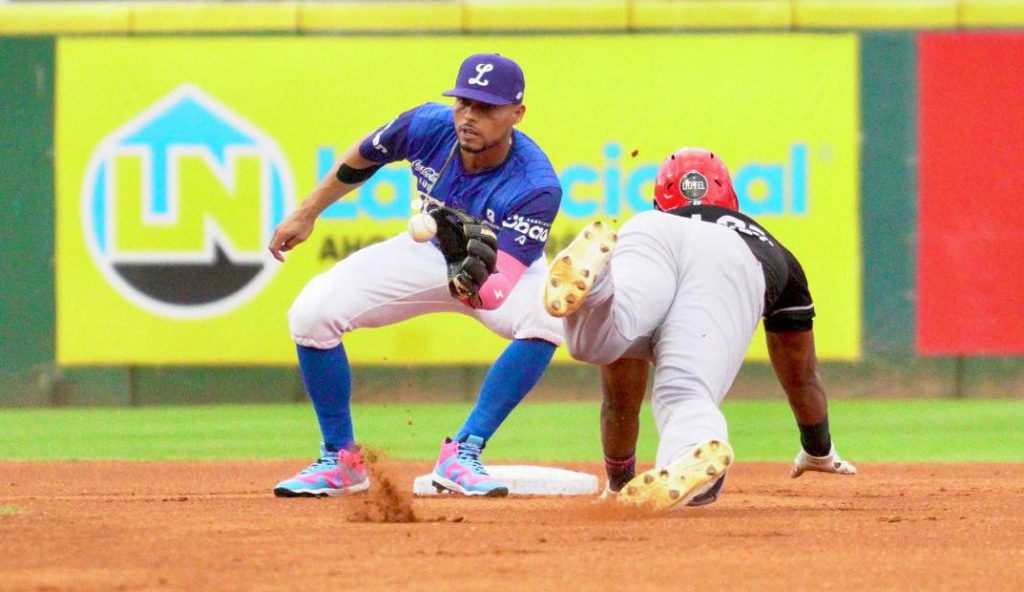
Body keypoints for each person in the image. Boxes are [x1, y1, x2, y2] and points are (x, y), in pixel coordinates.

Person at [268, 53, 563, 498]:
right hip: (425, 252)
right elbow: (362, 158)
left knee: (546, 318)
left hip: (495, 270)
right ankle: (340, 460)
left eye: (487, 108)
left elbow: (498, 291)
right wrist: (307, 213)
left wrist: (470, 282)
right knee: (310, 313)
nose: (470, 116)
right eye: (464, 102)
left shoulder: (536, 185)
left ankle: (464, 451)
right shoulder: (427, 124)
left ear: (517, 114)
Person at [544, 147, 856, 512]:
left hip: (649, 235)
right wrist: (818, 449)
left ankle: (597, 288)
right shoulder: (768, 243)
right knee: (684, 392)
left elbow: (619, 401)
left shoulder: (655, 218)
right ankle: (690, 450)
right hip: (730, 257)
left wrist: (618, 482)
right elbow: (801, 376)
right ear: (732, 200)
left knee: (605, 339)